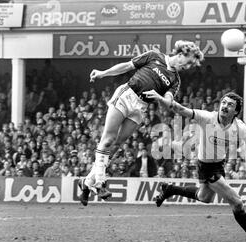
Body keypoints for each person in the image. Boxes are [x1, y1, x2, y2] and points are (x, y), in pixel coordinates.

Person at [78, 41, 204, 206]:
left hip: (140, 108)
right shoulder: (154, 56)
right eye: (188, 62)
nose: (187, 67)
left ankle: (86, 182)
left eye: (191, 66)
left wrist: (159, 98)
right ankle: (100, 182)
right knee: (107, 140)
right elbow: (127, 66)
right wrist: (103, 73)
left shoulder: (175, 80)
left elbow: (168, 101)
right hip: (127, 95)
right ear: (181, 53)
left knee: (115, 145)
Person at [148, 91, 246, 242]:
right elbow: (182, 110)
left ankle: (170, 189)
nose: (225, 106)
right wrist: (163, 100)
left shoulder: (239, 128)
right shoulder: (208, 118)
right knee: (237, 202)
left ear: (236, 111)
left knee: (204, 197)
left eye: (230, 104)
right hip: (206, 166)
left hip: (218, 164)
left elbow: (245, 143)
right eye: (224, 102)